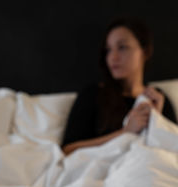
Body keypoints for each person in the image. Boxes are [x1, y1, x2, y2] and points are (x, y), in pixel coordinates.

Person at [62, 17, 177, 155]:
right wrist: (125, 132)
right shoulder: (94, 94)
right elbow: (69, 150)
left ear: (144, 52)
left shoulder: (157, 98)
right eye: (108, 50)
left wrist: (157, 121)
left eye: (122, 47)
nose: (113, 57)